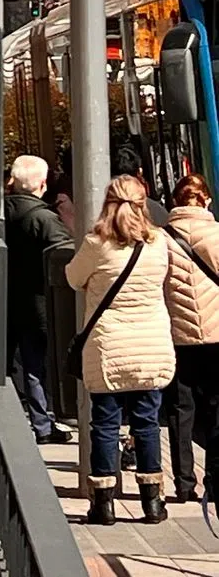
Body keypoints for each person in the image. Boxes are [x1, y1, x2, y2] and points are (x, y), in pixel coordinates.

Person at [67, 174, 175, 527]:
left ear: (108, 202)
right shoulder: (159, 242)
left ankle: (104, 505)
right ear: (143, 203)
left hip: (109, 346)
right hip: (151, 344)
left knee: (105, 425)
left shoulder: (96, 243)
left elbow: (72, 278)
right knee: (146, 424)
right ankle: (153, 504)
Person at [4, 155, 74, 444]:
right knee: (37, 365)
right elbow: (64, 258)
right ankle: (43, 423)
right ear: (43, 184)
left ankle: (24, 422)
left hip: (7, 300)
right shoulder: (43, 219)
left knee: (12, 364)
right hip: (39, 303)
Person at [163, 174, 219, 512]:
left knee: (180, 410)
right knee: (216, 408)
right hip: (216, 336)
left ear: (174, 202)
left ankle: (184, 483)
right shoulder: (216, 235)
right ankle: (214, 477)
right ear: (206, 201)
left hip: (176, 336)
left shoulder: (160, 239)